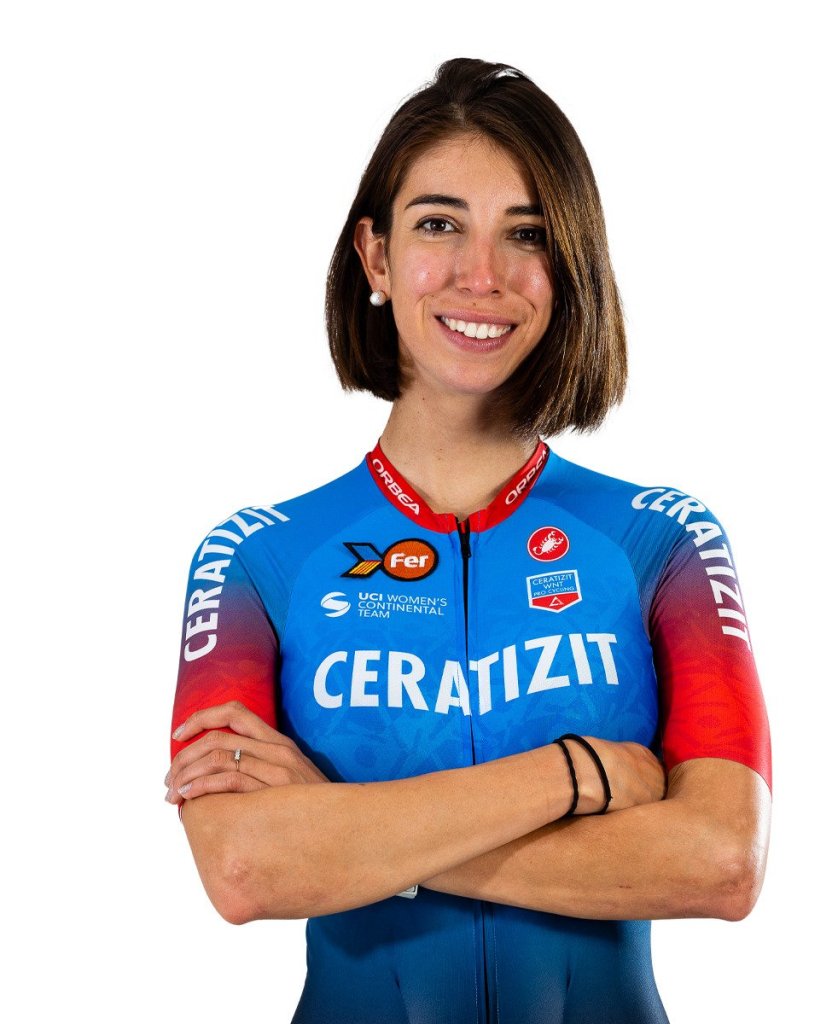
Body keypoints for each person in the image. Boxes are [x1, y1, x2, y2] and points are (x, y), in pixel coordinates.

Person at [165, 58, 771, 1024]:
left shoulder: (661, 542)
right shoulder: (256, 558)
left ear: (568, 267)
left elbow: (721, 862)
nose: (480, 275)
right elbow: (244, 869)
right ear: (374, 257)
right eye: (439, 225)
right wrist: (578, 775)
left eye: (526, 234)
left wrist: (345, 827)